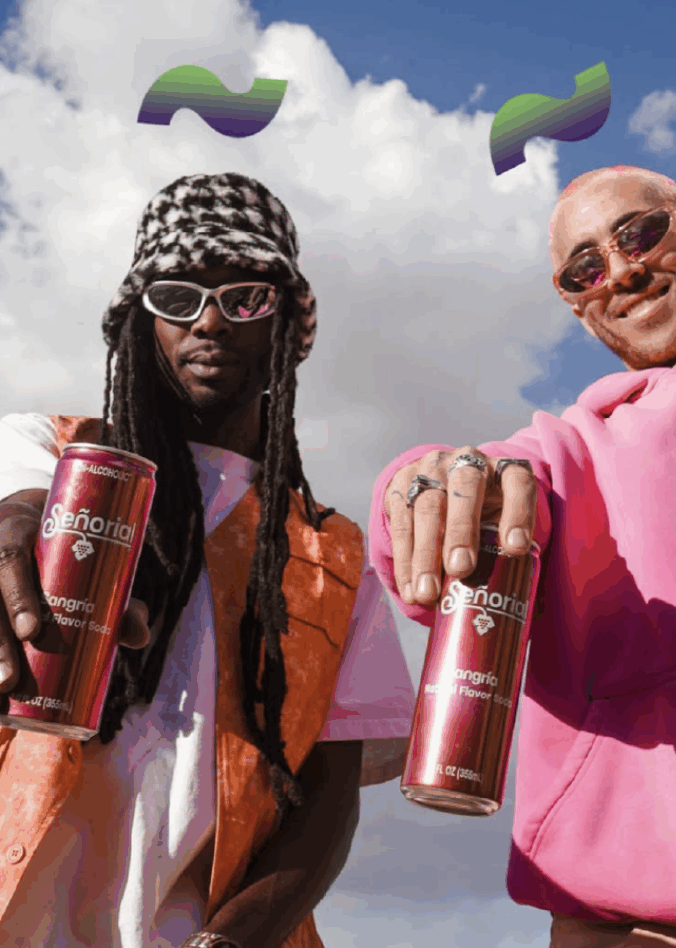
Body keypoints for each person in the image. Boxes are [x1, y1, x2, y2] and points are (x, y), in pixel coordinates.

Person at [368, 164, 676, 947]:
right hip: (613, 929)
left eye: (639, 233)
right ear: (579, 309)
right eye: (584, 268)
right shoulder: (565, 452)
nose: (620, 270)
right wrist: (418, 483)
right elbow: (451, 535)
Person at [0, 172, 415, 948]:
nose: (212, 322)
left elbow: (329, 798)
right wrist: (25, 515)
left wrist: (232, 942)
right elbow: (15, 504)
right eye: (179, 297)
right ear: (138, 320)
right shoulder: (48, 452)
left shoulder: (331, 551)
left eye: (247, 297)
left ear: (288, 323)